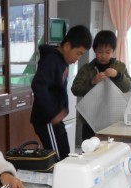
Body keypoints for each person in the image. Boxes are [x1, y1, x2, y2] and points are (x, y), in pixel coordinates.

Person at [30, 25, 92, 161]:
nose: (78, 58)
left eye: (82, 54)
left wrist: (64, 109)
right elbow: (38, 85)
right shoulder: (51, 60)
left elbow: (59, 89)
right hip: (47, 119)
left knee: (65, 154)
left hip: (56, 118)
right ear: (67, 46)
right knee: (57, 158)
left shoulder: (62, 60)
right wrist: (52, 113)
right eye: (78, 53)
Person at [71, 30, 131, 142]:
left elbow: (128, 87)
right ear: (94, 50)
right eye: (99, 52)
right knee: (90, 148)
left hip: (114, 119)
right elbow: (75, 89)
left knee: (113, 149)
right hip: (90, 119)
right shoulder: (87, 69)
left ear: (113, 51)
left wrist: (117, 75)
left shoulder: (119, 67)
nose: (103, 56)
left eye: (107, 52)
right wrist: (92, 82)